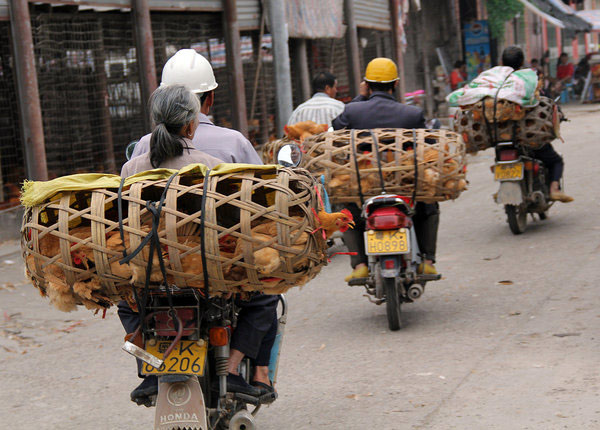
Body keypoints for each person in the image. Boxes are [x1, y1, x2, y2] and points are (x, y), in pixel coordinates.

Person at [121, 49, 278, 406]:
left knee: (125, 298)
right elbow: (258, 204)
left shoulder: (136, 160)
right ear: (195, 116)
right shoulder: (217, 161)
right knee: (266, 294)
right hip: (212, 270)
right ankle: (238, 368)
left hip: (152, 272)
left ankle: (149, 368)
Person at [332, 57, 440, 281]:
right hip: (405, 188)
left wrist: (361, 96)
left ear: (368, 84)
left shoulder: (353, 111)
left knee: (347, 209)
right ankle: (428, 261)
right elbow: (427, 146)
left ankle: (359, 264)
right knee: (429, 204)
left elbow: (336, 129)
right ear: (396, 84)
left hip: (365, 188)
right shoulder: (412, 114)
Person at [501, 46, 573, 203]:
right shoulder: (529, 79)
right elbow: (546, 102)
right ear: (521, 62)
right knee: (556, 161)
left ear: (502, 62)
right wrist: (558, 113)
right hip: (530, 137)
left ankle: (503, 188)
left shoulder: (495, 82)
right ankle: (554, 189)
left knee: (501, 157)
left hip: (502, 140)